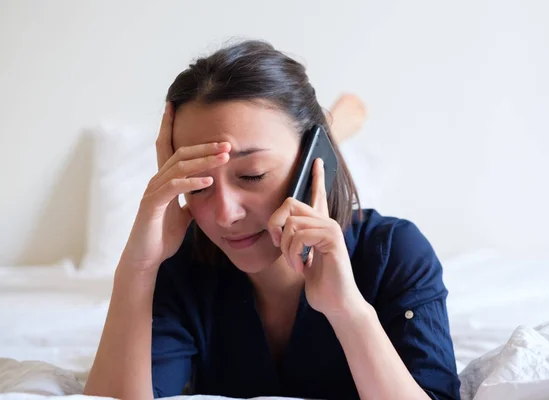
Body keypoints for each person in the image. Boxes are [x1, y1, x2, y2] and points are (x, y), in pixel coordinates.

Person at [84, 40, 460, 400]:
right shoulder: (182, 269)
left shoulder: (394, 253)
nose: (225, 215)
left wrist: (346, 309)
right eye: (197, 185)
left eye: (252, 175)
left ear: (317, 158)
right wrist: (139, 266)